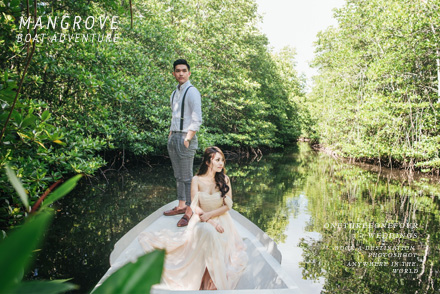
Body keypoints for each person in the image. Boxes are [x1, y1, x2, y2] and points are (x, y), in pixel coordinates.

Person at [138, 146, 248, 290]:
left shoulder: (225, 179)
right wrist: (209, 220)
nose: (221, 163)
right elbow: (195, 207)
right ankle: (202, 275)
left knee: (216, 238)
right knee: (208, 232)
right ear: (208, 163)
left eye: (222, 160)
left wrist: (211, 216)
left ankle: (212, 278)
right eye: (217, 160)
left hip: (221, 219)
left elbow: (228, 206)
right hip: (201, 218)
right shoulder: (196, 179)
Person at [163, 59, 202, 227]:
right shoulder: (174, 93)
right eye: (177, 71)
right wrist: (171, 134)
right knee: (178, 175)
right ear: (173, 73)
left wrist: (188, 138)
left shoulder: (192, 92)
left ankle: (189, 210)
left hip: (186, 137)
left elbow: (197, 118)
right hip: (174, 137)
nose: (180, 73)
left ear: (189, 73)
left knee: (187, 177)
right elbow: (174, 116)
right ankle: (180, 205)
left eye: (184, 70)